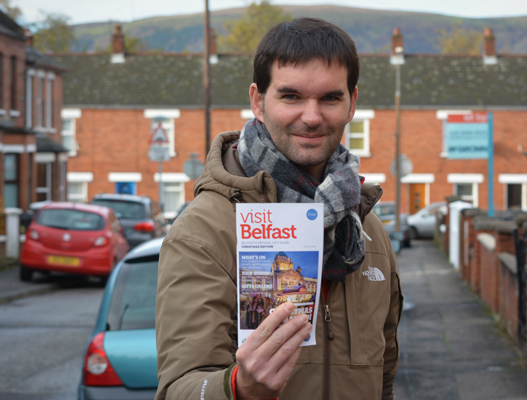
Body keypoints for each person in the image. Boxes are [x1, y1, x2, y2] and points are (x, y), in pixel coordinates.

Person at [155, 17, 402, 400]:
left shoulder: (366, 229)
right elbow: (179, 388)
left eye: (330, 98)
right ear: (258, 101)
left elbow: (383, 381)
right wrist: (238, 388)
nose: (312, 117)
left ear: (352, 103)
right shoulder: (203, 231)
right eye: (291, 97)